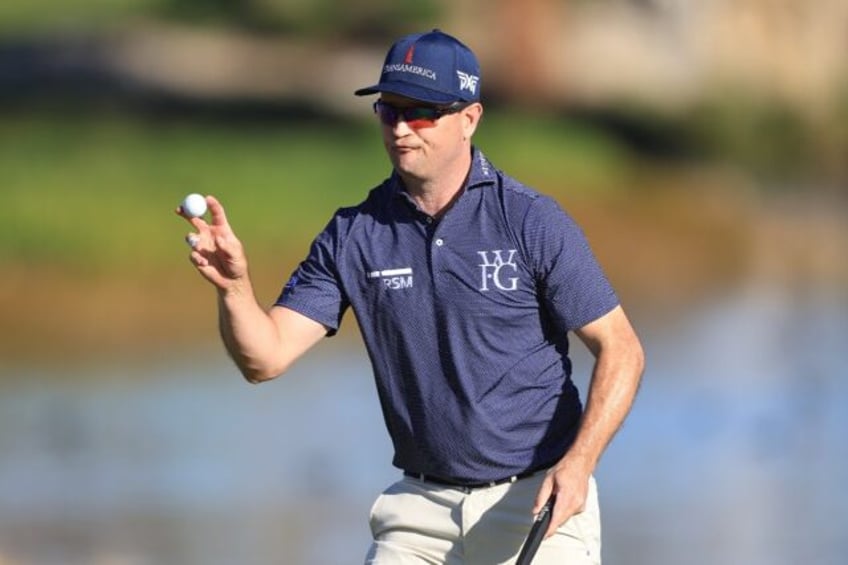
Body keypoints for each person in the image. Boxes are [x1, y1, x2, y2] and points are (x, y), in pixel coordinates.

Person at [178, 29, 644, 565]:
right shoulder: (354, 234)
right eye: (389, 109)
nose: (401, 127)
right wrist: (235, 289)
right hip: (419, 512)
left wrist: (579, 464)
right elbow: (265, 357)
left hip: (538, 502)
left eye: (421, 112)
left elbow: (622, 350)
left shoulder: (530, 222)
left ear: (469, 119)